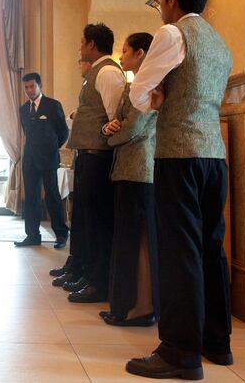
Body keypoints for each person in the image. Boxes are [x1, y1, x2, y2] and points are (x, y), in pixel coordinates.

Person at [125, 0, 233, 380]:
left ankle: (180, 352)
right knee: (210, 248)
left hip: (179, 156)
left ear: (171, 0)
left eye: (160, 1)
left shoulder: (172, 35)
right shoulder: (220, 42)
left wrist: (154, 99)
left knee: (179, 251)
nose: (160, 9)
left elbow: (139, 92)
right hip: (213, 157)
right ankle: (216, 343)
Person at [62, 23, 125, 303]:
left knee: (98, 222)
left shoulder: (109, 72)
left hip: (100, 157)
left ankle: (98, 282)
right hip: (88, 155)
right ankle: (85, 273)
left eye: (81, 41)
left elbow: (115, 117)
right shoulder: (95, 72)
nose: (79, 46)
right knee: (85, 219)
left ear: (91, 44)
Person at [100, 32, 159, 327]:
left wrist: (112, 137)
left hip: (139, 170)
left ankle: (139, 307)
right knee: (127, 238)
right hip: (129, 168)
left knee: (136, 240)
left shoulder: (148, 85)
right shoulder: (136, 85)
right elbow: (123, 123)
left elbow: (134, 128)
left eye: (125, 51)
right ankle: (126, 304)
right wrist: (111, 127)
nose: (121, 56)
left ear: (141, 53)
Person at [49, 58, 93, 284]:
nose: (78, 63)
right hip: (82, 154)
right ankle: (75, 263)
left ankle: (86, 270)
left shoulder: (107, 75)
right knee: (79, 215)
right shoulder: (88, 83)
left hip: (96, 155)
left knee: (87, 217)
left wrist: (80, 116)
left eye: (82, 60)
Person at [15, 72, 70, 248]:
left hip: (48, 158)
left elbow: (63, 132)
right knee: (31, 198)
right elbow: (27, 133)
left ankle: (61, 235)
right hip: (30, 159)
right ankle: (32, 235)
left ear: (40, 86)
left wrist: (52, 148)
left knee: (52, 196)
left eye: (32, 86)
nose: (29, 90)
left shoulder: (53, 105)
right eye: (26, 87)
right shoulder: (23, 109)